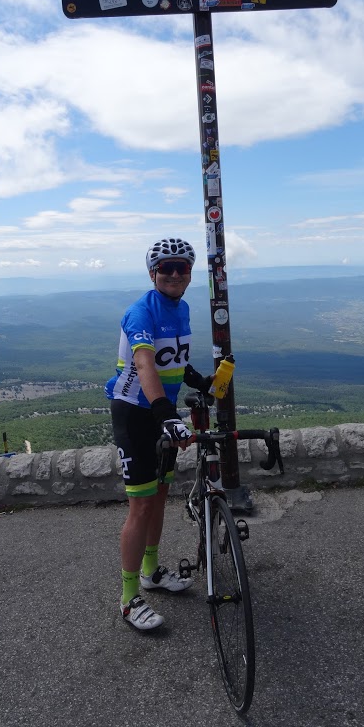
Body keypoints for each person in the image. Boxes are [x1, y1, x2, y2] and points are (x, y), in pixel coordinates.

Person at [105, 237, 212, 632]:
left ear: (188, 275)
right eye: (165, 268)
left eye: (182, 267)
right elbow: (146, 364)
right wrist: (167, 413)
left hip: (161, 415)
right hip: (136, 413)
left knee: (161, 495)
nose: (174, 274)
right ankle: (129, 599)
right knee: (142, 505)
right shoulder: (140, 313)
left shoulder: (181, 308)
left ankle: (151, 572)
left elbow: (173, 359)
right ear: (153, 274)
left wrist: (197, 378)